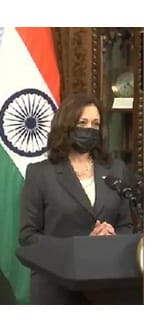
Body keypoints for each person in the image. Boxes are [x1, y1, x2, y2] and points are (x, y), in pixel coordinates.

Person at [19, 93, 134, 304]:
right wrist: (81, 246)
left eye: (95, 124)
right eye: (83, 123)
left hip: (107, 287)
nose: (90, 129)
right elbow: (28, 237)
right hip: (57, 289)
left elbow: (127, 226)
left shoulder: (116, 170)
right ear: (66, 125)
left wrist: (111, 237)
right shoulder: (40, 173)